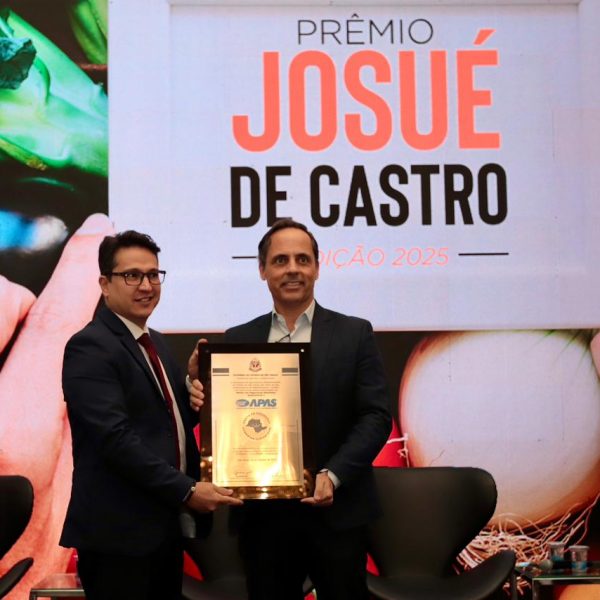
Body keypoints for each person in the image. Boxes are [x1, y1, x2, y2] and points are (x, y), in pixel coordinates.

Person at [189, 218, 392, 600]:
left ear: (317, 267)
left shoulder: (354, 334)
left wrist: (333, 474)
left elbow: (376, 416)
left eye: (303, 259)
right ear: (262, 270)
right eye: (280, 260)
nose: (293, 269)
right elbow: (225, 419)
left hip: (338, 514)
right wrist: (199, 391)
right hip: (263, 523)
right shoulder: (238, 339)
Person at [59, 230, 242, 600]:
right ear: (105, 285)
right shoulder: (90, 346)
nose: (146, 285)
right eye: (132, 275)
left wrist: (192, 389)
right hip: (119, 538)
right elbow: (116, 439)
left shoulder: (153, 340)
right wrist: (187, 489)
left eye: (153, 274)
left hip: (162, 531)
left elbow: (166, 424)